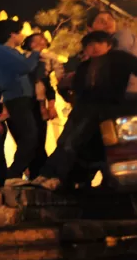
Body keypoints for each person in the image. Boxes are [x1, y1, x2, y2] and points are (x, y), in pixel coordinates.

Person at [35, 31, 137, 190]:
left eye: (99, 43)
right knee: (67, 142)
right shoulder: (84, 67)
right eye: (89, 45)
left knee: (81, 144)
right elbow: (76, 90)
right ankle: (52, 176)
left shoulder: (120, 58)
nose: (94, 47)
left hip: (108, 110)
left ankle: (58, 177)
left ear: (108, 45)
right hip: (84, 111)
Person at [0, 20, 40, 187]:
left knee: (28, 138)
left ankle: (33, 174)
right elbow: (25, 67)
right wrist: (36, 52)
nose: (22, 36)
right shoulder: (3, 52)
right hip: (17, 99)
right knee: (30, 136)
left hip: (21, 98)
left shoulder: (12, 52)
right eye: (20, 32)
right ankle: (14, 174)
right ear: (12, 34)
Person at [22, 33, 58, 180]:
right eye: (36, 41)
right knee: (34, 140)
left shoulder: (46, 59)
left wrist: (50, 104)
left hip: (37, 103)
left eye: (42, 41)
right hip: (27, 103)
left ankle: (39, 173)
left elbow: (46, 83)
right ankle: (39, 172)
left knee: (38, 139)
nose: (41, 43)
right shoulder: (26, 59)